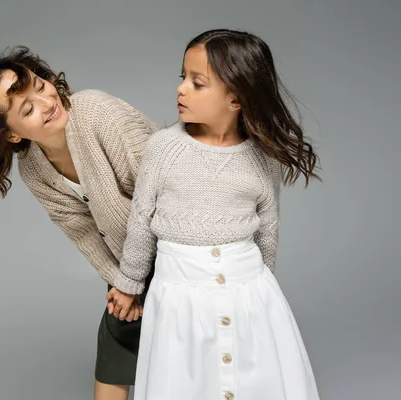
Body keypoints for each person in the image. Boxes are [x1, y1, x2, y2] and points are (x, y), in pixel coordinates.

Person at [107, 29, 321, 400]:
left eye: (198, 83)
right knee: (184, 380)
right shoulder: (163, 148)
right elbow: (141, 221)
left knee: (258, 380)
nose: (181, 89)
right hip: (179, 296)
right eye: (183, 78)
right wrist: (129, 284)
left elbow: (268, 228)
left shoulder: (262, 157)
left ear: (236, 98)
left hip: (250, 292)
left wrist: (264, 292)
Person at [0, 46, 158, 400]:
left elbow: (165, 200)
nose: (46, 103)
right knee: (117, 337)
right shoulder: (35, 168)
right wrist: (122, 286)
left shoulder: (97, 114)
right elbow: (85, 234)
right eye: (27, 108)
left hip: (187, 251)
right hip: (130, 270)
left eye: (40, 86)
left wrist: (134, 281)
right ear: (11, 134)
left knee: (184, 355)